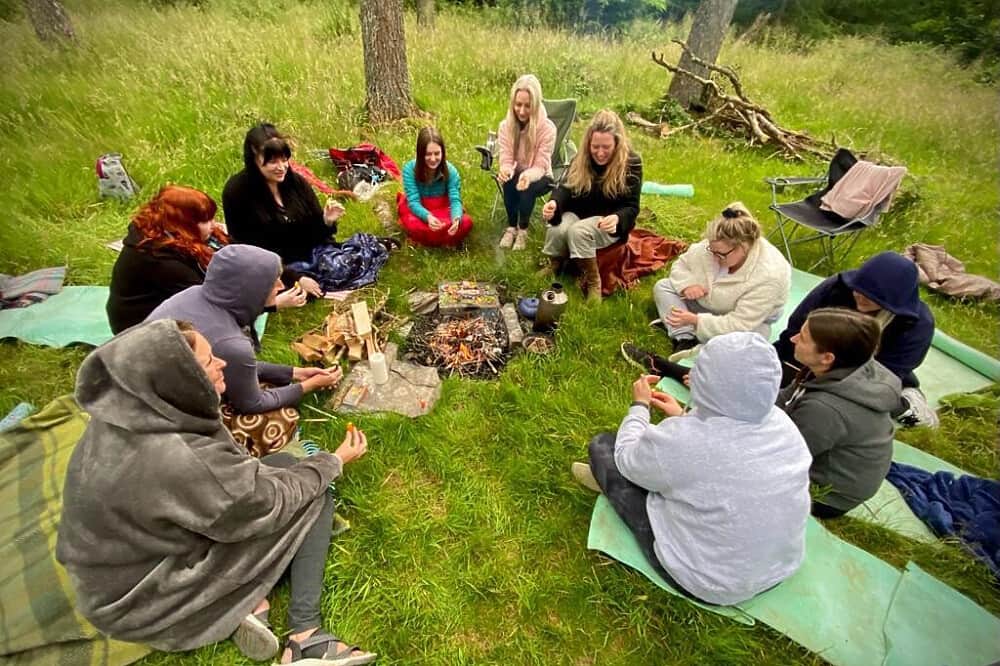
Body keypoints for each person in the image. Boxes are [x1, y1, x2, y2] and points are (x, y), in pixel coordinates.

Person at [56, 319, 375, 665]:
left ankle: (252, 605)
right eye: (209, 361)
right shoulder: (183, 457)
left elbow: (227, 487)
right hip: (148, 597)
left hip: (116, 570)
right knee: (313, 494)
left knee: (284, 463)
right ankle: (304, 637)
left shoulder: (131, 411)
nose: (222, 363)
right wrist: (333, 461)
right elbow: (268, 504)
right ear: (183, 381)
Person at [572, 332, 812, 605]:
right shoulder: (783, 425)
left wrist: (639, 405)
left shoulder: (687, 441)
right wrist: (684, 415)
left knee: (604, 447)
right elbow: (725, 454)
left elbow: (627, 459)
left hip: (706, 580)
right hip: (776, 570)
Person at [147, 245, 341, 451]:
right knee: (281, 418)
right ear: (250, 288)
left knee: (264, 384)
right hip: (163, 427)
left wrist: (295, 373)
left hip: (143, 391)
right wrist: (310, 385)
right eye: (272, 281)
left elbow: (233, 365)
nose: (281, 285)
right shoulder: (231, 343)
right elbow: (252, 404)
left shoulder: (193, 294)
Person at [107, 185, 307, 335]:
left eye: (212, 218)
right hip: (141, 327)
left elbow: (245, 258)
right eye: (205, 220)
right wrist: (272, 305)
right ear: (182, 224)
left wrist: (295, 277)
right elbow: (209, 305)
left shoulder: (191, 235)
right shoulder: (160, 261)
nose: (213, 225)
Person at [773, 251, 937, 427]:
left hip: (867, 377)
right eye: (858, 290)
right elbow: (795, 331)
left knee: (831, 412)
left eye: (871, 297)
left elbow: (886, 375)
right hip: (810, 358)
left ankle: (907, 405)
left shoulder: (917, 325)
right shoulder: (839, 287)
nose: (859, 296)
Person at [777, 308, 901, 518]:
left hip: (827, 495)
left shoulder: (824, 409)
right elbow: (783, 399)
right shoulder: (846, 368)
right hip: (826, 465)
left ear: (827, 357)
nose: (793, 338)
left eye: (803, 338)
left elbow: (781, 455)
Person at [647, 202, 790, 356]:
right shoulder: (716, 243)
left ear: (743, 247)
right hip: (707, 306)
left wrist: (696, 320)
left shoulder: (769, 275)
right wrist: (687, 285)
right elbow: (681, 265)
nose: (714, 257)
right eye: (712, 251)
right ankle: (685, 339)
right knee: (664, 286)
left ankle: (691, 332)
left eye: (721, 255)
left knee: (755, 336)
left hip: (746, 320)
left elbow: (741, 324)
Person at [222, 123, 344, 297]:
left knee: (358, 258)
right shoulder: (237, 192)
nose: (281, 167)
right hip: (273, 269)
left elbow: (316, 235)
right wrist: (295, 278)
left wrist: (326, 220)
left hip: (311, 255)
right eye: (272, 161)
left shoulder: (296, 182)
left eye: (284, 160)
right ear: (254, 159)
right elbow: (248, 252)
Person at [540, 109, 641, 302]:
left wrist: (618, 218)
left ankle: (594, 281)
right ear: (588, 143)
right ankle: (555, 264)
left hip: (606, 219)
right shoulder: (582, 157)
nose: (600, 153)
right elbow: (565, 188)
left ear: (617, 143)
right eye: (595, 147)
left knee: (578, 232)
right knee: (558, 228)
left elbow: (632, 206)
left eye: (606, 147)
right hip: (580, 212)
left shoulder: (632, 164)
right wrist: (554, 202)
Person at [496, 74, 556, 251]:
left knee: (526, 188)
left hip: (541, 175)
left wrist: (527, 176)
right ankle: (511, 227)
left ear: (536, 105)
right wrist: (506, 170)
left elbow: (541, 165)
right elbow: (506, 158)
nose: (521, 111)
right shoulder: (505, 126)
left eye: (527, 106)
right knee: (509, 182)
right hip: (516, 171)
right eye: (518, 105)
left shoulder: (548, 129)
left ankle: (523, 230)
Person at [397, 127, 473, 247]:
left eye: (437, 154)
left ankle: (430, 238)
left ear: (443, 152)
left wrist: (456, 219)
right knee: (413, 223)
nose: (433, 159)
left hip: (443, 209)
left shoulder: (451, 171)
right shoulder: (409, 169)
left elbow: (455, 200)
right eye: (428, 154)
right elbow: (414, 202)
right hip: (420, 209)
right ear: (420, 154)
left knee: (466, 222)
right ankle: (444, 238)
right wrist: (428, 217)